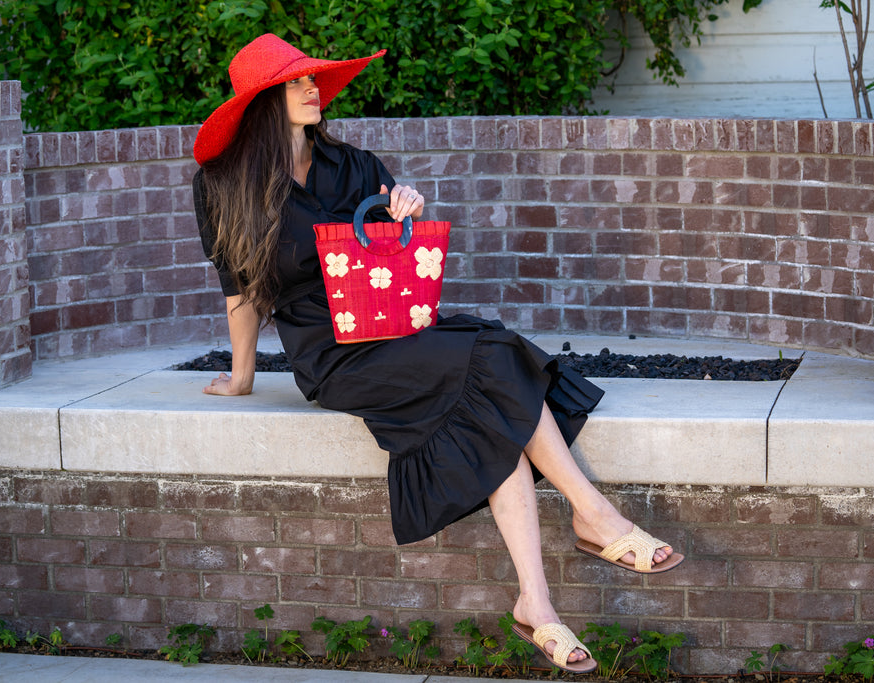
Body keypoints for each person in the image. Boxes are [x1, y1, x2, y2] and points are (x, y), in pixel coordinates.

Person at [191, 33, 683, 674]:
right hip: (332, 356)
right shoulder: (223, 186)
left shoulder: (357, 166)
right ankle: (595, 517)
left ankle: (537, 601)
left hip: (397, 328)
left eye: (313, 79)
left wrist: (405, 210)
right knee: (495, 362)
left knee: (490, 382)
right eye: (295, 82)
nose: (313, 89)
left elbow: (397, 248)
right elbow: (242, 292)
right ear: (262, 100)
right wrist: (242, 377)